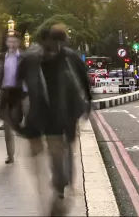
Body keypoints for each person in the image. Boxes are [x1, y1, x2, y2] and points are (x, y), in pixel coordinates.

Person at [19, 24, 92, 213]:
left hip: (67, 117)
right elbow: (17, 88)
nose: (56, 48)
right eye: (52, 43)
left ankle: (62, 186)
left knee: (64, 159)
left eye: (61, 43)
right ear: (45, 42)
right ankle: (59, 190)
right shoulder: (32, 60)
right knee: (56, 159)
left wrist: (86, 106)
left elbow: (84, 84)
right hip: (46, 119)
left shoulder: (71, 58)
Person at [0, 33, 25, 164]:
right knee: (7, 127)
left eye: (14, 41)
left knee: (18, 124)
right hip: (6, 93)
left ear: (18, 43)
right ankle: (10, 155)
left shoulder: (23, 58)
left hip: (20, 94)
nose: (12, 44)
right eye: (9, 42)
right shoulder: (3, 59)